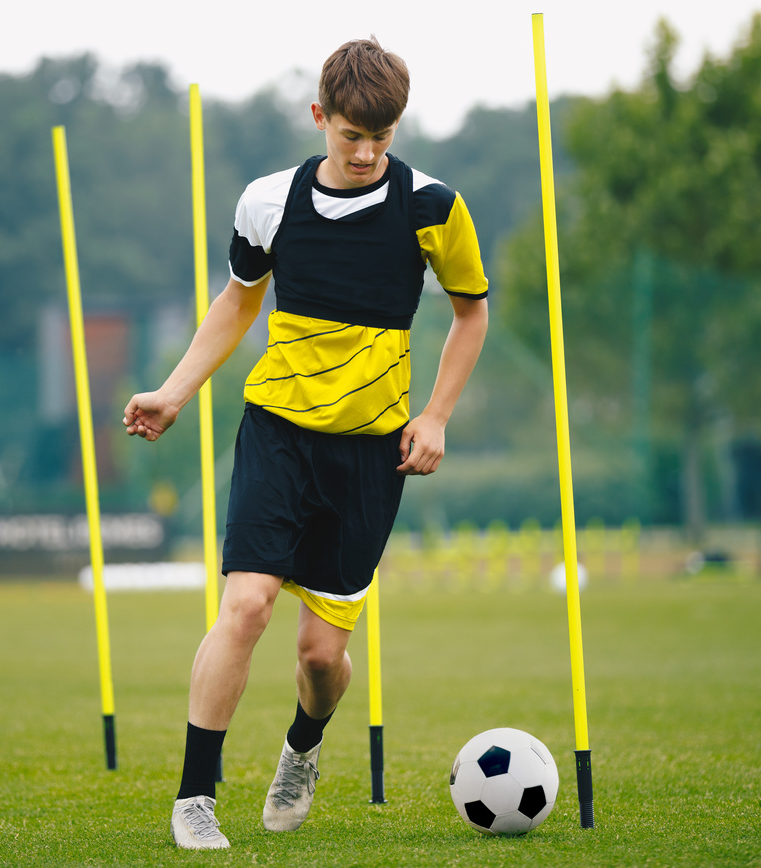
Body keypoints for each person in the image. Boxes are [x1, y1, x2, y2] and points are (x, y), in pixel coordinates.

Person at [123, 38, 489, 849]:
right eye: (351, 134)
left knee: (322, 658)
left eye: (381, 137)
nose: (365, 152)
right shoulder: (266, 201)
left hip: (367, 454)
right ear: (319, 116)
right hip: (277, 434)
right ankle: (195, 797)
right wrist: (174, 391)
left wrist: (433, 416)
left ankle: (302, 747)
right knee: (245, 604)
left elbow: (470, 312)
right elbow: (236, 302)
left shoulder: (432, 207)